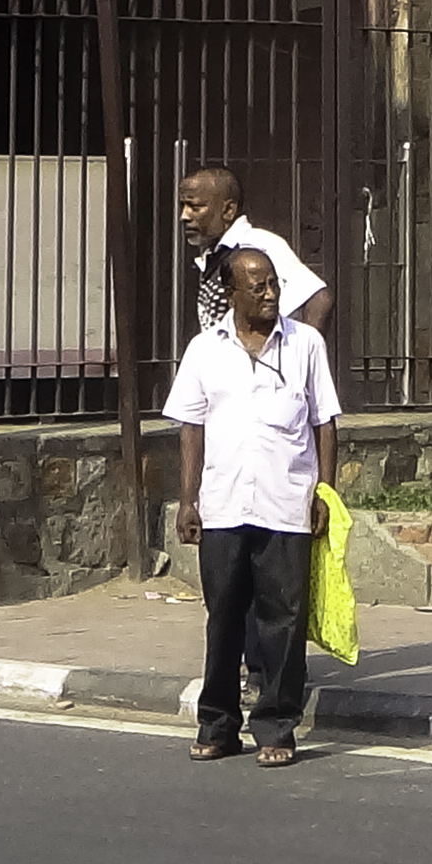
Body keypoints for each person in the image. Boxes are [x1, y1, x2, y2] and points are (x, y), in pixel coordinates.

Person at [164, 244, 337, 765]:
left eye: (273, 284)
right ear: (231, 291)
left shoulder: (305, 344)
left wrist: (325, 493)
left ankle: (277, 727)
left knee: (283, 620)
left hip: (286, 505)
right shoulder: (204, 350)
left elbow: (325, 423)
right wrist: (188, 500)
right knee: (224, 619)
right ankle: (217, 724)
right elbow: (191, 427)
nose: (269, 294)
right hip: (223, 506)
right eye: (257, 286)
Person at [178, 163, 328, 332]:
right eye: (183, 206)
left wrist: (303, 347)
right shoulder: (214, 254)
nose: (184, 216)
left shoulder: (257, 243)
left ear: (228, 210)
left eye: (195, 207)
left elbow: (319, 298)